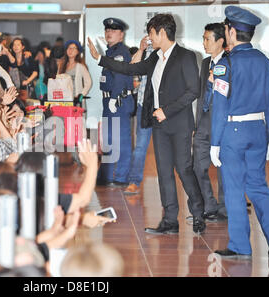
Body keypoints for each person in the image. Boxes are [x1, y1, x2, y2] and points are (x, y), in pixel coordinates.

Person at [88, 14, 206, 234]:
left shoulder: (186, 56)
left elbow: (193, 90)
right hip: (158, 123)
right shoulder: (155, 57)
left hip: (178, 123)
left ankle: (199, 213)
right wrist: (99, 59)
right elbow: (132, 69)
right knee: (163, 172)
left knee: (183, 169)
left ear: (162, 32)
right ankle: (170, 220)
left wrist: (167, 110)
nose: (149, 38)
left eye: (151, 33)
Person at [210, 6, 269, 259]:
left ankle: (241, 246)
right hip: (259, 130)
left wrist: (215, 142)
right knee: (258, 186)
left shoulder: (225, 64)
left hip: (233, 131)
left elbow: (219, 106)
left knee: (233, 187)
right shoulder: (265, 62)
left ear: (231, 32)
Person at [190, 23, 227, 221]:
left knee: (223, 168)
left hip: (222, 124)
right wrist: (196, 125)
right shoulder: (205, 64)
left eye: (207, 39)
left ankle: (224, 209)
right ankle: (209, 205)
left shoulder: (230, 62)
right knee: (198, 166)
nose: (204, 43)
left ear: (220, 41)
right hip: (204, 122)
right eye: (203, 38)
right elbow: (202, 95)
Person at [95, 18, 135, 188]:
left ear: (121, 34)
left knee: (121, 140)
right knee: (110, 140)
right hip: (110, 100)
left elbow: (120, 76)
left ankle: (120, 176)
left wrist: (113, 98)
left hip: (118, 100)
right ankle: (108, 174)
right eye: (107, 30)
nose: (109, 33)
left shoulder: (121, 52)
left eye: (113, 31)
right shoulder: (110, 52)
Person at [123, 38, 153, 195]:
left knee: (166, 150)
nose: (152, 37)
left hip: (165, 107)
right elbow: (131, 68)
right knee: (141, 146)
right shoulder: (145, 52)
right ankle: (134, 181)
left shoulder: (170, 54)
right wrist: (141, 50)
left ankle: (167, 184)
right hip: (144, 105)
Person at [57, 40, 92, 105]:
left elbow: (88, 82)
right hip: (63, 100)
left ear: (78, 52)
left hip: (76, 101)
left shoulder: (80, 66)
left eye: (74, 48)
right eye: (69, 48)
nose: (71, 50)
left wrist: (81, 94)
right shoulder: (61, 66)